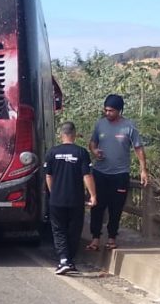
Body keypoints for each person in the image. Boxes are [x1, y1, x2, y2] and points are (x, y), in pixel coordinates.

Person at [87, 94, 149, 252]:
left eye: (111, 111)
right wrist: (95, 151)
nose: (107, 113)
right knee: (97, 206)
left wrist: (143, 170)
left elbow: (138, 148)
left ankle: (112, 237)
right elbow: (92, 143)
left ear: (119, 111)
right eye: (106, 110)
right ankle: (95, 238)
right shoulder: (100, 124)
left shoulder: (129, 126)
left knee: (116, 208)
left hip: (120, 174)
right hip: (100, 173)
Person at [45, 122, 98, 275]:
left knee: (58, 229)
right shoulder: (81, 152)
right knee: (74, 230)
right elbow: (87, 175)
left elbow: (48, 176)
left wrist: (53, 192)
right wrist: (93, 195)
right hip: (76, 199)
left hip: (57, 200)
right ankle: (68, 260)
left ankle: (64, 260)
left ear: (61, 134)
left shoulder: (52, 152)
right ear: (74, 134)